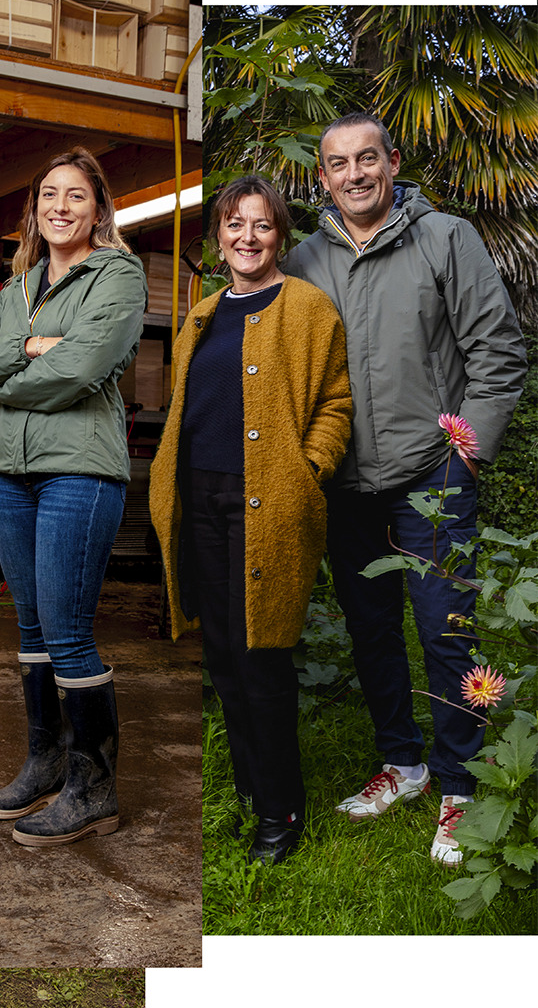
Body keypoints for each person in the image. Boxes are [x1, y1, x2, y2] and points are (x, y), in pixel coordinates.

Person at [289, 112, 526, 865]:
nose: (354, 174)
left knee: (446, 629)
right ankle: (405, 762)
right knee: (371, 631)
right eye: (338, 163)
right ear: (323, 177)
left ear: (392, 162)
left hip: (433, 476)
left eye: (367, 158)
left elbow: (498, 353)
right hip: (347, 483)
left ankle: (461, 784)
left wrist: (465, 458)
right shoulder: (302, 261)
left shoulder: (446, 239)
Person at [148, 175, 352, 863]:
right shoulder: (203, 314)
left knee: (262, 655)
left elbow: (336, 402)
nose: (248, 237)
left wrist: (309, 468)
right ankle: (250, 788)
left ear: (280, 236)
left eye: (262, 225)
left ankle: (281, 809)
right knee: (223, 656)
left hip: (267, 502)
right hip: (200, 501)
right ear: (219, 238)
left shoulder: (309, 309)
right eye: (235, 224)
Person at [0, 148, 146, 848]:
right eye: (48, 195)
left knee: (67, 629)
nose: (59, 207)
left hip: (80, 470)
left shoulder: (118, 275)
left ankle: (94, 788)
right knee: (32, 627)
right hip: (11, 470)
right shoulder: (19, 286)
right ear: (33, 209)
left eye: (75, 195)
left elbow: (83, 367)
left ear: (98, 208)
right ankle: (46, 763)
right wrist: (32, 345)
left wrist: (12, 368)